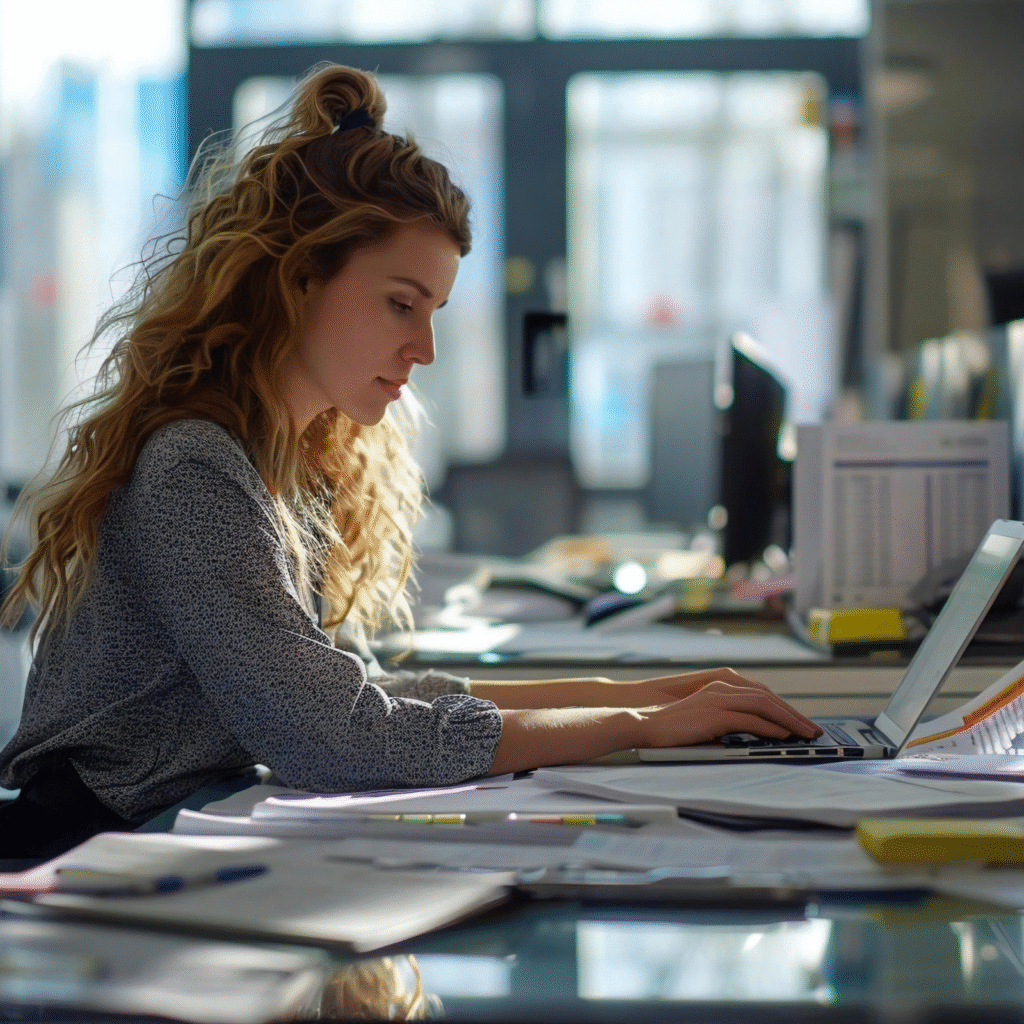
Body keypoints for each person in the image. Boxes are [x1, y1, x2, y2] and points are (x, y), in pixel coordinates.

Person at [0, 63, 819, 860]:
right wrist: (637, 728)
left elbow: (352, 692)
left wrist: (636, 696)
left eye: (433, 312)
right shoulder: (194, 469)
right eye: (401, 303)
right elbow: (334, 738)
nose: (423, 348)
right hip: (83, 865)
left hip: (169, 844)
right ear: (299, 280)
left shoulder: (281, 464)